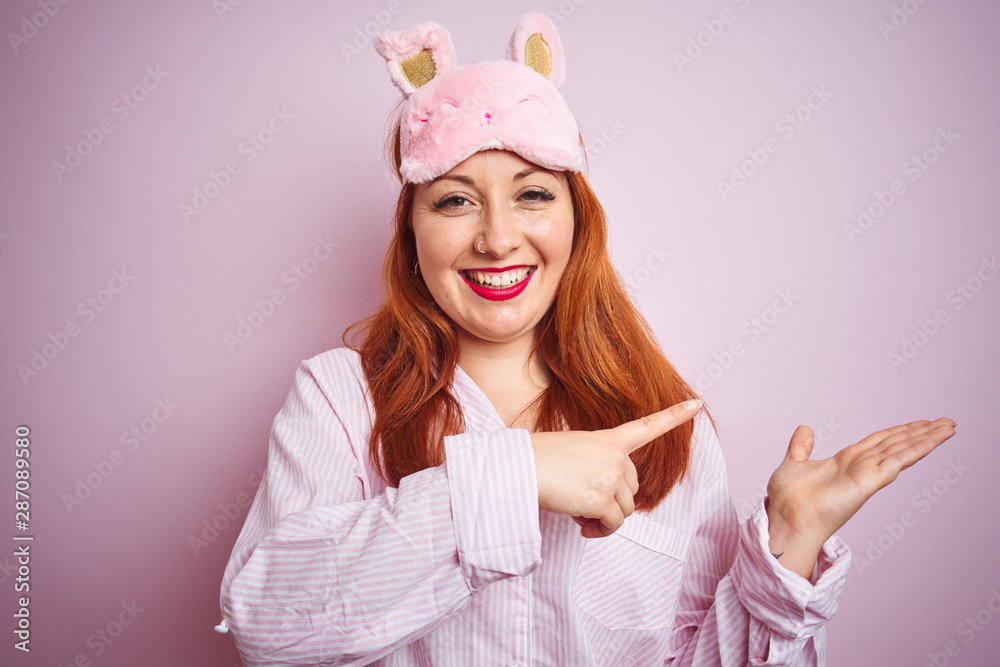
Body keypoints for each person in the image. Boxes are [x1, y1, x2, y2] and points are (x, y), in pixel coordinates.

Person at [216, 13, 956, 666]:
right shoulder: (338, 398)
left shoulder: (669, 429)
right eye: (455, 200)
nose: (498, 237)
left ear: (579, 221)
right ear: (412, 234)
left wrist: (790, 543)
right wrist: (515, 477)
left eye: (533, 193)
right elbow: (266, 627)